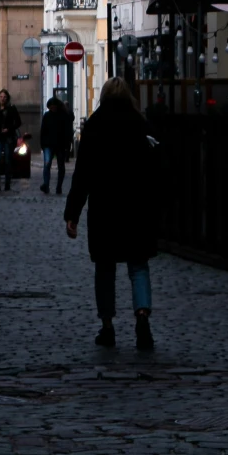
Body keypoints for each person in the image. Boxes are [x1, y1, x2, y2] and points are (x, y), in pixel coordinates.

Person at [63, 77, 158, 350]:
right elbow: (156, 171)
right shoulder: (141, 125)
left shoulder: (94, 127)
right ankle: (142, 318)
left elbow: (82, 176)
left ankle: (107, 326)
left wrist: (73, 213)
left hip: (105, 210)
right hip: (137, 209)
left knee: (105, 269)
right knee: (138, 266)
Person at [38, 93, 73, 196]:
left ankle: (59, 187)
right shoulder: (47, 116)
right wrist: (43, 144)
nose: (52, 108)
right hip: (48, 144)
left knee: (61, 166)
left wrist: (67, 144)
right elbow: (43, 131)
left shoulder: (63, 116)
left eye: (54, 107)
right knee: (47, 164)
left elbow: (67, 130)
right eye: (51, 107)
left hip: (60, 145)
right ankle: (46, 184)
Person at [0, 89, 17, 192]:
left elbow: (18, 122)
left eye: (4, 97)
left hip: (7, 138)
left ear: (7, 98)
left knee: (7, 160)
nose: (2, 99)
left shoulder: (11, 109)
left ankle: (7, 184)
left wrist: (9, 129)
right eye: (1, 97)